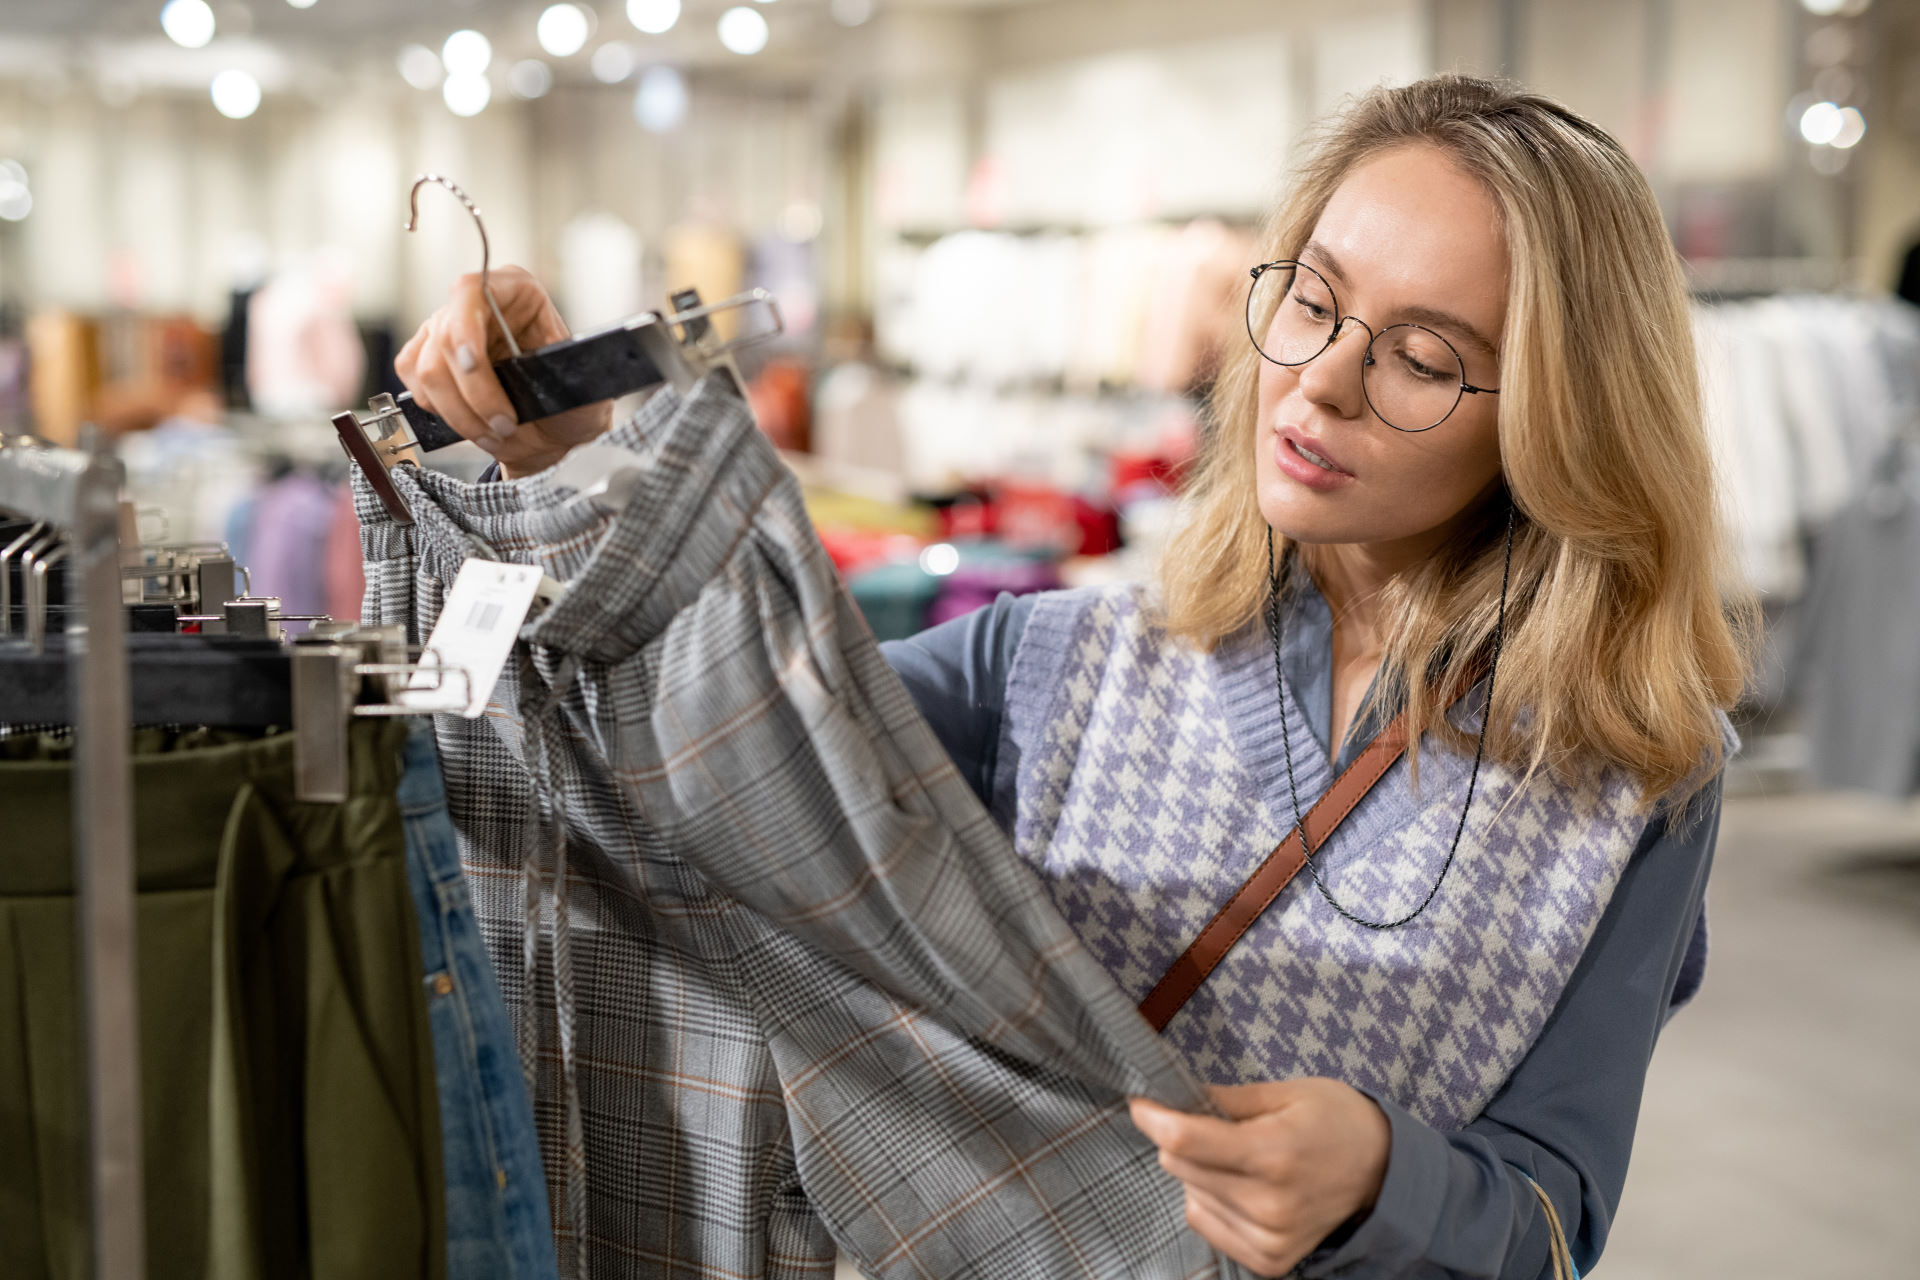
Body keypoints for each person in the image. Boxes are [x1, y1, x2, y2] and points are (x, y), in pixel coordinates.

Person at [394, 75, 1751, 1280]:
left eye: (1423, 358)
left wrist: (1385, 1179)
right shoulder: (1054, 667)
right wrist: (563, 450)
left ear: (1556, 409)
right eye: (1315, 301)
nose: (1320, 384)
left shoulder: (1633, 782)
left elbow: (1557, 1214)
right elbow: (704, 735)